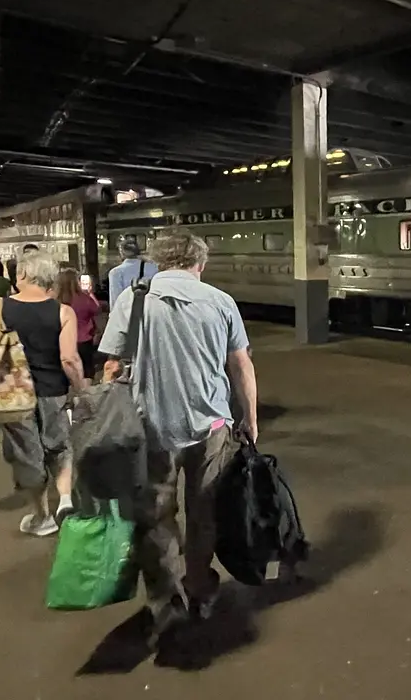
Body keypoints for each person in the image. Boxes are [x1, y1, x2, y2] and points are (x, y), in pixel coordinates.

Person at [98, 229, 258, 646]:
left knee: (156, 515)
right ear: (199, 263)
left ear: (156, 261)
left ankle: (166, 603)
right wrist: (251, 419)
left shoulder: (132, 299)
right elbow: (240, 365)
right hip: (213, 426)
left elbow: (113, 366)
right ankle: (201, 588)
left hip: (150, 427)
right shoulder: (221, 301)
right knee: (204, 511)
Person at [0, 252, 87, 537]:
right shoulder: (62, 311)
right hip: (53, 391)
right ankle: (66, 500)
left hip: (12, 394)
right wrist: (81, 390)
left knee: (27, 454)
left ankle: (42, 516)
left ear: (21, 276)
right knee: (59, 445)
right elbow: (69, 359)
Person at [55, 267, 100, 378]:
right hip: (84, 340)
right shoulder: (84, 299)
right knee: (86, 371)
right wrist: (90, 294)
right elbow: (96, 309)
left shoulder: (55, 301)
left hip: (61, 341)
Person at [107, 238, 157, 305]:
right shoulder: (153, 267)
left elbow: (115, 299)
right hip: (151, 308)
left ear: (121, 252)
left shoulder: (115, 272)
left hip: (128, 312)